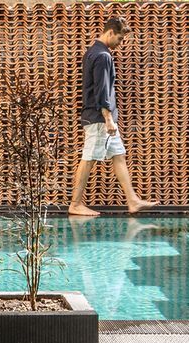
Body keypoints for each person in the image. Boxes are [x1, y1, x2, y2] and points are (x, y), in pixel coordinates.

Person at [68, 15, 158, 217]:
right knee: (89, 157)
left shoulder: (92, 52)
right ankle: (75, 204)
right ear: (110, 32)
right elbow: (102, 89)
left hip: (101, 118)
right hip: (99, 119)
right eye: (119, 39)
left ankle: (132, 200)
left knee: (118, 156)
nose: (120, 44)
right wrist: (108, 118)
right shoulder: (103, 56)